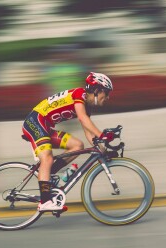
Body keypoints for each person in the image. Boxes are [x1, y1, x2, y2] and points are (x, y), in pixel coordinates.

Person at [22, 72, 114, 212]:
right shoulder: (79, 94)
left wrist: (102, 149)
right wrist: (102, 134)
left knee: (78, 145)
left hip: (45, 127)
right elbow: (83, 119)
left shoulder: (86, 106)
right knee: (47, 157)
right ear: (96, 90)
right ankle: (45, 202)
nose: (107, 97)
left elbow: (88, 131)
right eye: (106, 93)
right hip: (35, 121)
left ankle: (48, 173)